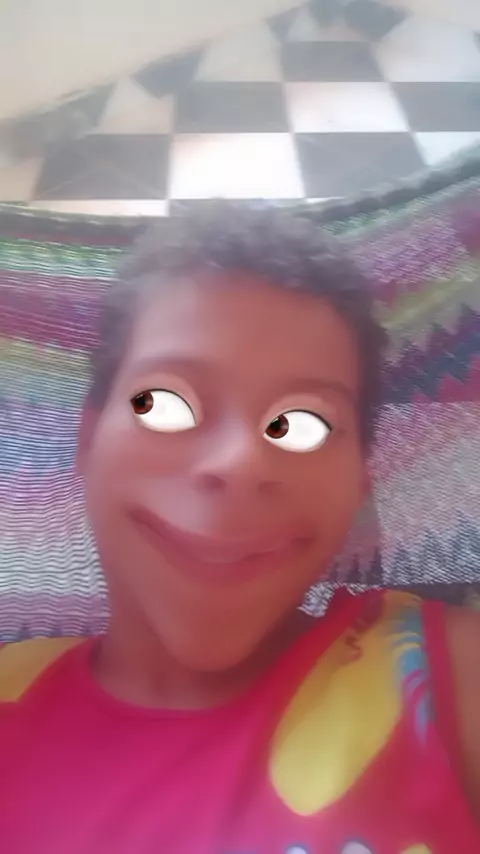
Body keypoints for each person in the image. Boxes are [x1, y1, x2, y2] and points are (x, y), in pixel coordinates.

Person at [0, 205, 479, 853]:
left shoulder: (444, 676)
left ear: (360, 480)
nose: (240, 463)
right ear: (88, 440)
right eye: (164, 403)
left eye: (304, 423)